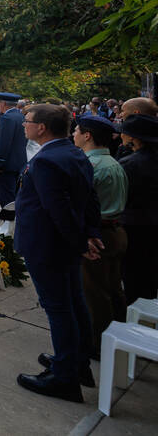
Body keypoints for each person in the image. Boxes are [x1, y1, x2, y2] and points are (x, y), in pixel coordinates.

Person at [14, 103, 100, 403]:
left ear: (42, 128)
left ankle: (65, 379)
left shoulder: (47, 161)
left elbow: (58, 210)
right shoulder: (74, 153)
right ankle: (77, 363)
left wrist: (81, 241)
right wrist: (90, 234)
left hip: (48, 245)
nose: (24, 124)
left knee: (60, 309)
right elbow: (90, 199)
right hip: (63, 244)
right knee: (74, 303)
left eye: (28, 121)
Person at [72, 114, 128, 356]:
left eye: (77, 131)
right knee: (112, 288)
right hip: (114, 230)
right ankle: (114, 334)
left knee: (94, 293)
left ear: (87, 136)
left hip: (98, 233)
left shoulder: (90, 165)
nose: (73, 134)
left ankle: (95, 343)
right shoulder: (114, 163)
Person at [117, 113, 158, 304]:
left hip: (134, 227)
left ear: (133, 137)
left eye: (123, 133)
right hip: (148, 224)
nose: (120, 136)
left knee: (133, 276)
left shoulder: (129, 164)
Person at [0, 92, 27, 207]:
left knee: (6, 199)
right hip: (18, 162)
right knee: (15, 196)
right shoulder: (20, 116)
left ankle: (9, 224)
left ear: (3, 104)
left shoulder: (7, 118)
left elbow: (4, 143)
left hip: (6, 165)